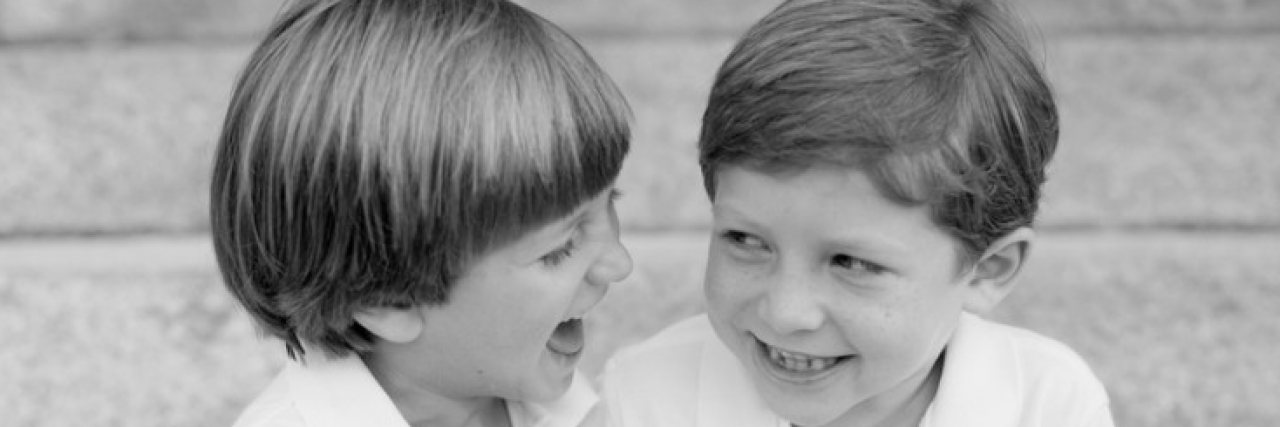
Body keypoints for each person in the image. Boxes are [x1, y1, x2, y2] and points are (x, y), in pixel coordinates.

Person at [602, 0, 1114, 426]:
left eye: (852, 263)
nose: (785, 312)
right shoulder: (648, 398)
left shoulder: (1046, 404)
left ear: (987, 269)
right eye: (745, 240)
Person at [210, 0, 634, 426]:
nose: (619, 262)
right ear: (389, 299)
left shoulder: (574, 406)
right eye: (560, 249)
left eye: (609, 202)